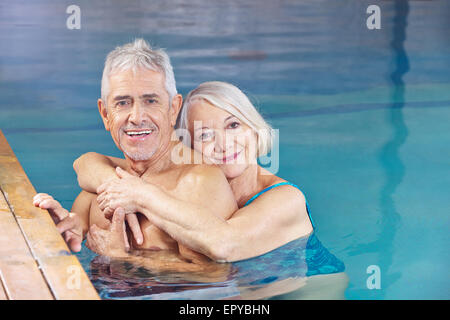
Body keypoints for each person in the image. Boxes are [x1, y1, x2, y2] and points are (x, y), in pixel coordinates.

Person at [33, 39, 238, 269]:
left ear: (173, 109)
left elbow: (217, 277)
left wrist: (125, 259)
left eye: (150, 101)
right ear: (104, 114)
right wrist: (58, 231)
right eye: (122, 103)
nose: (136, 117)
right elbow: (75, 232)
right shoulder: (100, 188)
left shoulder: (199, 183)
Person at [74, 81, 314, 262]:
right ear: (188, 149)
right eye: (205, 135)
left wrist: (124, 257)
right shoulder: (198, 188)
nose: (223, 144)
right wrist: (110, 182)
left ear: (254, 129)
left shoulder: (287, 199)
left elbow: (224, 247)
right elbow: (88, 163)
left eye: (233, 125)